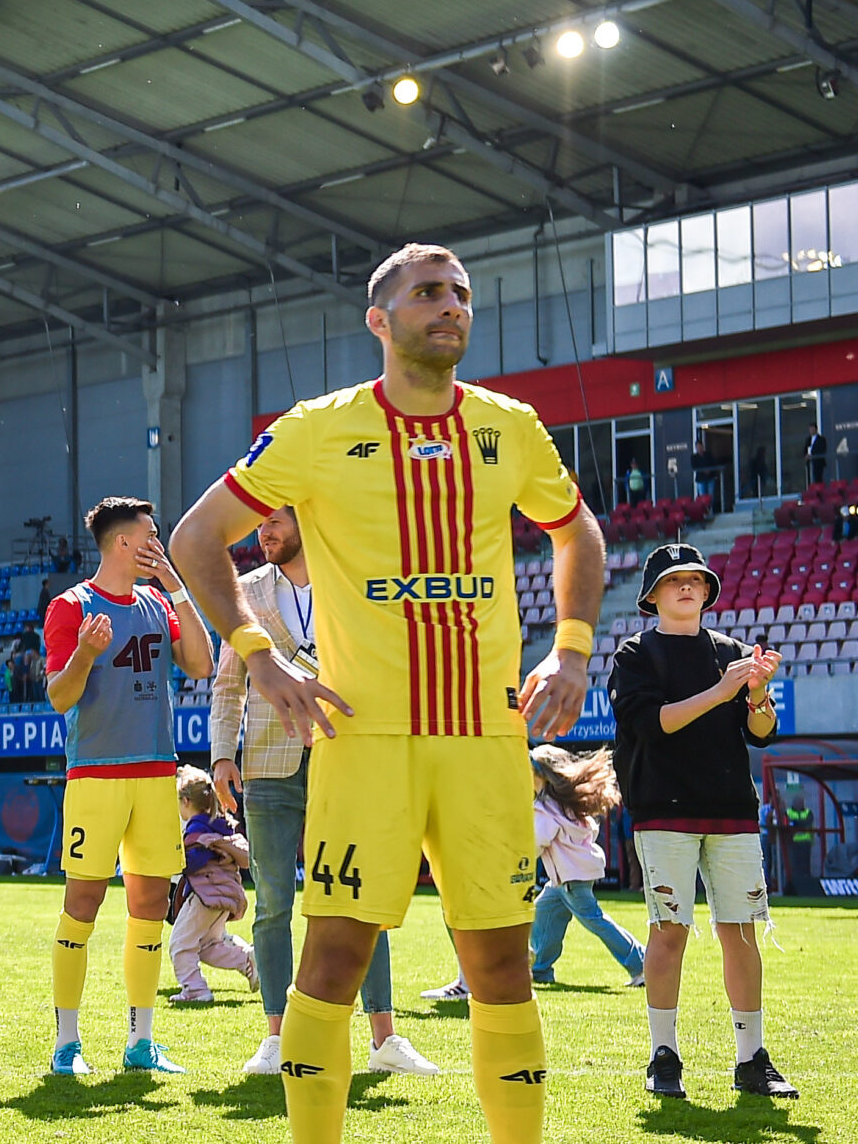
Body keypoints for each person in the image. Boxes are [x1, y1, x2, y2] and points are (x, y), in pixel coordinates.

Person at [171, 243, 604, 1144]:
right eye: (428, 293)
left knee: (501, 967)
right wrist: (259, 656)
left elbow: (578, 532)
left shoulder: (510, 426)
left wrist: (571, 648)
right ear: (379, 319)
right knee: (333, 959)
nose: (450, 306)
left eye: (460, 294)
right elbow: (197, 537)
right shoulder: (315, 429)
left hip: (485, 738)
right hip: (365, 741)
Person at [209, 506, 431, 1075]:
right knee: (273, 903)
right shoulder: (244, 591)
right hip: (267, 762)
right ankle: (276, 1037)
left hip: (346, 757)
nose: (264, 532)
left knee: (363, 898)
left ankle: (384, 1038)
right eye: (259, 523)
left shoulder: (352, 582)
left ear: (307, 519)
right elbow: (228, 684)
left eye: (275, 521)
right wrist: (221, 754)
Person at [607, 542, 796, 1099]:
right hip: (663, 810)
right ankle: (663, 1055)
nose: (686, 585)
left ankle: (751, 1058)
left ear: (708, 590)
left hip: (732, 808)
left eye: (694, 578)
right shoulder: (635, 654)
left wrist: (757, 694)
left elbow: (762, 733)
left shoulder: (731, 651)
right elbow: (654, 725)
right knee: (670, 932)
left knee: (741, 931)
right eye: (672, 580)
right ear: (652, 596)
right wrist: (721, 690)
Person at [40, 495, 213, 1075]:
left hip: (156, 772)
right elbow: (60, 697)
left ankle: (141, 1042)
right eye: (150, 537)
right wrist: (86, 653)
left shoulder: (159, 602)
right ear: (123, 543)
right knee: (82, 904)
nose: (157, 545)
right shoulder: (71, 607)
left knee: (149, 905)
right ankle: (67, 1043)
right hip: (97, 774)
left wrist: (178, 588)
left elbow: (201, 664)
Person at [527, 744, 645, 986]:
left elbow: (536, 843)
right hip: (567, 877)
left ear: (540, 776)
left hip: (571, 878)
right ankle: (540, 970)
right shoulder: (563, 804)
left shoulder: (545, 808)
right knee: (545, 912)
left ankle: (641, 964)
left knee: (596, 921)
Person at [170, 765, 256, 1004]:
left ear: (186, 801)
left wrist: (173, 860)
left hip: (205, 897)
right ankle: (247, 959)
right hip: (224, 895)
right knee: (207, 946)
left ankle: (195, 990)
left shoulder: (196, 829)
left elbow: (194, 862)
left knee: (180, 945)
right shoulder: (219, 824)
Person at [806, 424, 828, 489]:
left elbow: (822, 450)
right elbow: (805, 449)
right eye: (810, 429)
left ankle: (819, 490)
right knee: (810, 478)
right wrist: (806, 455)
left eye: (812, 429)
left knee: (818, 478)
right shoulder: (808, 439)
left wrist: (813, 455)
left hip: (818, 462)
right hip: (810, 463)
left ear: (816, 429)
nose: (811, 431)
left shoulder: (821, 439)